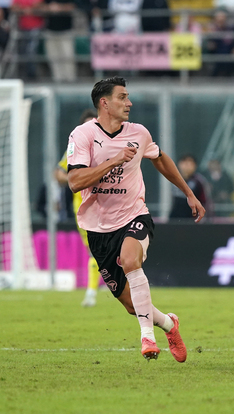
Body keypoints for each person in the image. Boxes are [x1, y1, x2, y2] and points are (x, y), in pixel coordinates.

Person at [66, 77, 206, 361]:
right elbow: (74, 181)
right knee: (132, 305)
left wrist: (189, 193)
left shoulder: (139, 133)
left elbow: (160, 158)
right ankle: (169, 324)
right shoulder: (82, 135)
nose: (129, 103)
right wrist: (113, 161)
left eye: (128, 97)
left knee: (131, 260)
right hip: (97, 227)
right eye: (122, 97)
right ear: (104, 103)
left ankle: (147, 338)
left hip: (134, 215)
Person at [55, 108, 101, 307]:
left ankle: (92, 292)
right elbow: (58, 174)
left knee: (102, 249)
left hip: (107, 204)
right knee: (95, 250)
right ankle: (92, 291)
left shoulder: (106, 145)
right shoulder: (74, 148)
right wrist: (76, 178)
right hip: (82, 207)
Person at [43, 0, 77, 82]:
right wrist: (49, 8)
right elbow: (41, 7)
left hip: (65, 30)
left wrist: (59, 8)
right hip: (50, 30)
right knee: (53, 56)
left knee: (67, 55)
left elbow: (73, 6)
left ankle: (70, 79)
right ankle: (57, 79)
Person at [169, 154, 212, 219]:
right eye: (185, 163)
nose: (187, 166)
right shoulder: (174, 179)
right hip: (175, 217)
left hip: (192, 218)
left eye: (190, 163)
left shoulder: (199, 181)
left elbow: (205, 201)